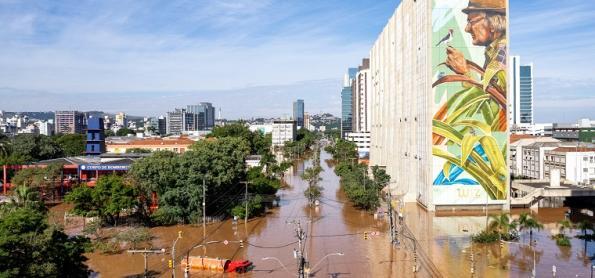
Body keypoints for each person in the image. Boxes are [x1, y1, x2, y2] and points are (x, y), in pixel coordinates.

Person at [444, 0, 507, 92]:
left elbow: (490, 103)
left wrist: (464, 72)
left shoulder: (502, 53)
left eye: (471, 22)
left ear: (493, 24)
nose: (467, 29)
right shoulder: (496, 50)